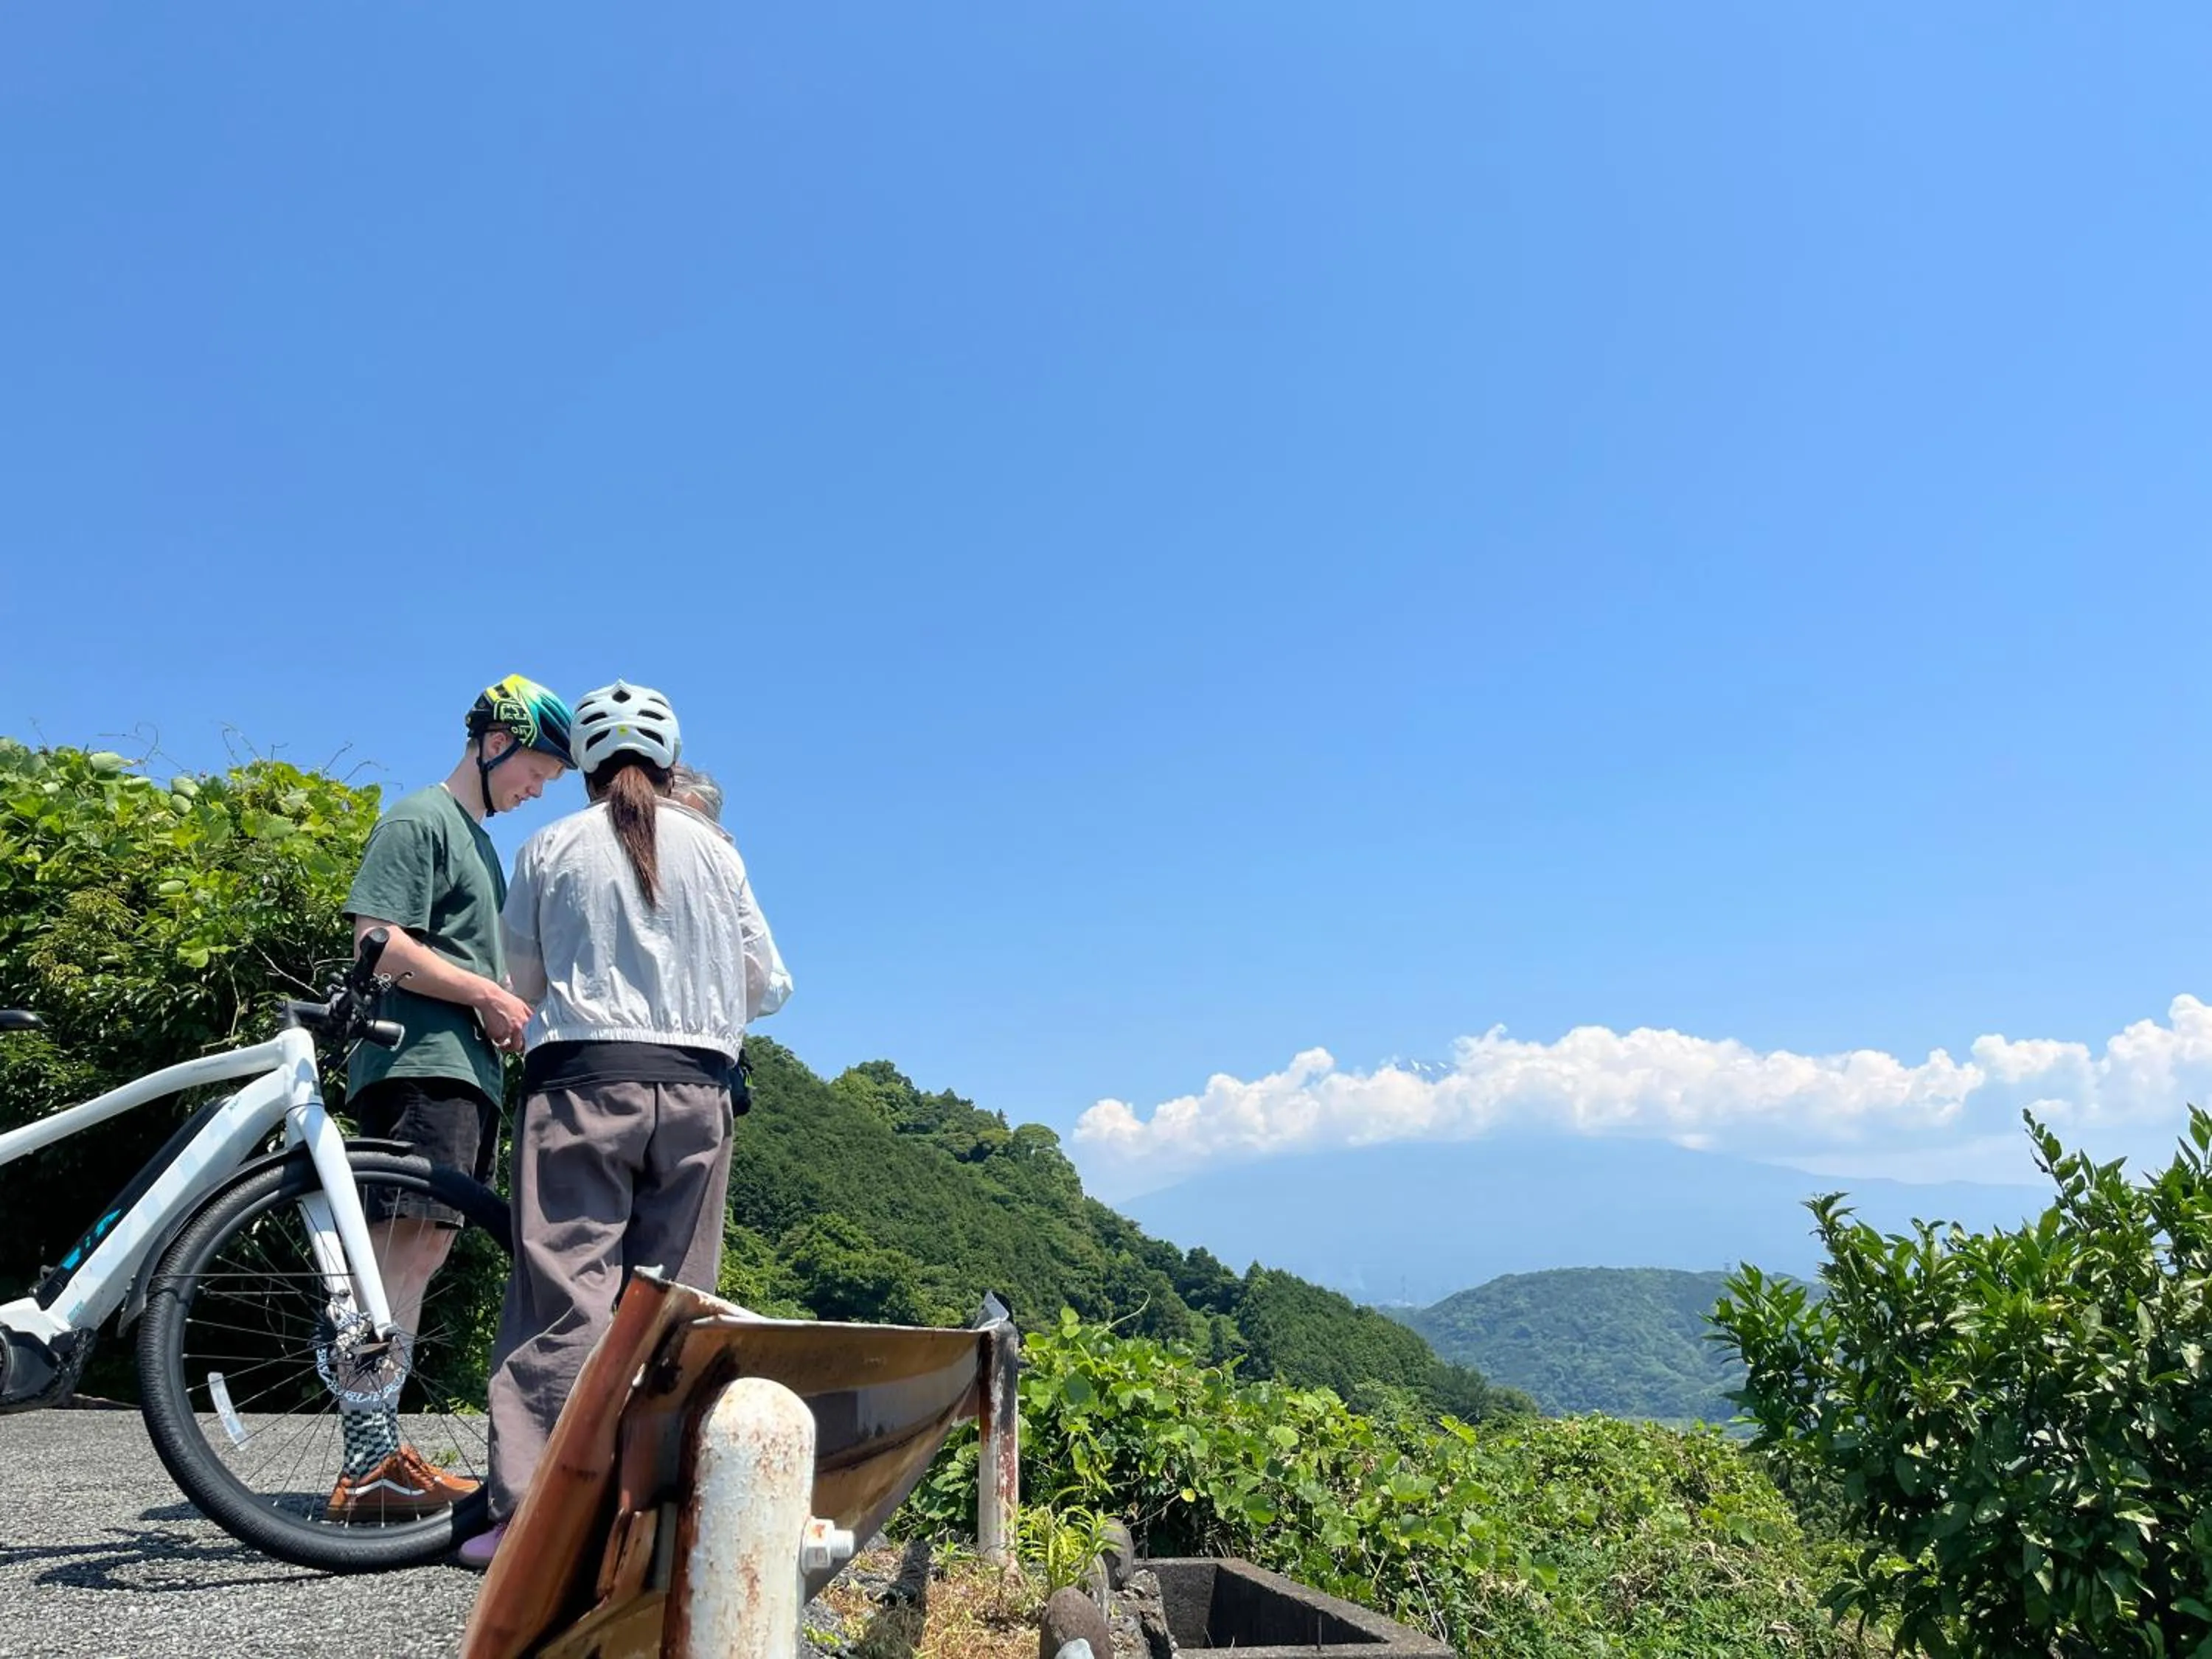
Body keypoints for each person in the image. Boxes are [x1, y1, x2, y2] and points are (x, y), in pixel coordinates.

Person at [461, 681, 790, 1568]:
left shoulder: (551, 845)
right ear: (671, 763)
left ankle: (532, 1525)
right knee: (676, 1306)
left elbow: (519, 982)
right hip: (695, 1090)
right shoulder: (720, 853)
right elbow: (767, 983)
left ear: (589, 772)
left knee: (563, 1300)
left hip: (580, 1084)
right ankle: (663, 1521)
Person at [327, 674, 577, 1523]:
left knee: (420, 1256)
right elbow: (379, 941)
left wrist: (498, 1007)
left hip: (461, 1069)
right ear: (494, 740)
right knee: (392, 1255)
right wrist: (484, 994)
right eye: (537, 767)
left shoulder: (480, 841)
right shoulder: (420, 819)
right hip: (417, 1064)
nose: (539, 787)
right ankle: (366, 1462)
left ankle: (381, 1448)